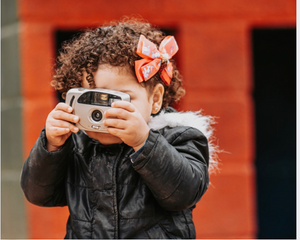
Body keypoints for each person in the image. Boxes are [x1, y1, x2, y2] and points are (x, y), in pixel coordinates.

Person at [20, 18, 218, 239]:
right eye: (92, 99)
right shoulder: (76, 144)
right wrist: (51, 146)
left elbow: (184, 194)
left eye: (119, 99)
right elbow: (38, 194)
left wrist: (143, 142)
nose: (105, 112)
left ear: (155, 99)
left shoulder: (179, 137)